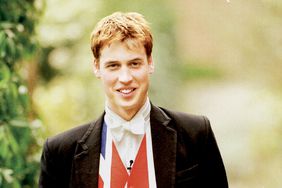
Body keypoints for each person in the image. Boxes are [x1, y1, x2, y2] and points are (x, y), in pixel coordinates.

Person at [39, 12, 228, 188]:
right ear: (97, 67)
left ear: (150, 63)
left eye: (134, 64)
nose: (125, 77)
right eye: (113, 66)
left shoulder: (196, 134)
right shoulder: (60, 152)